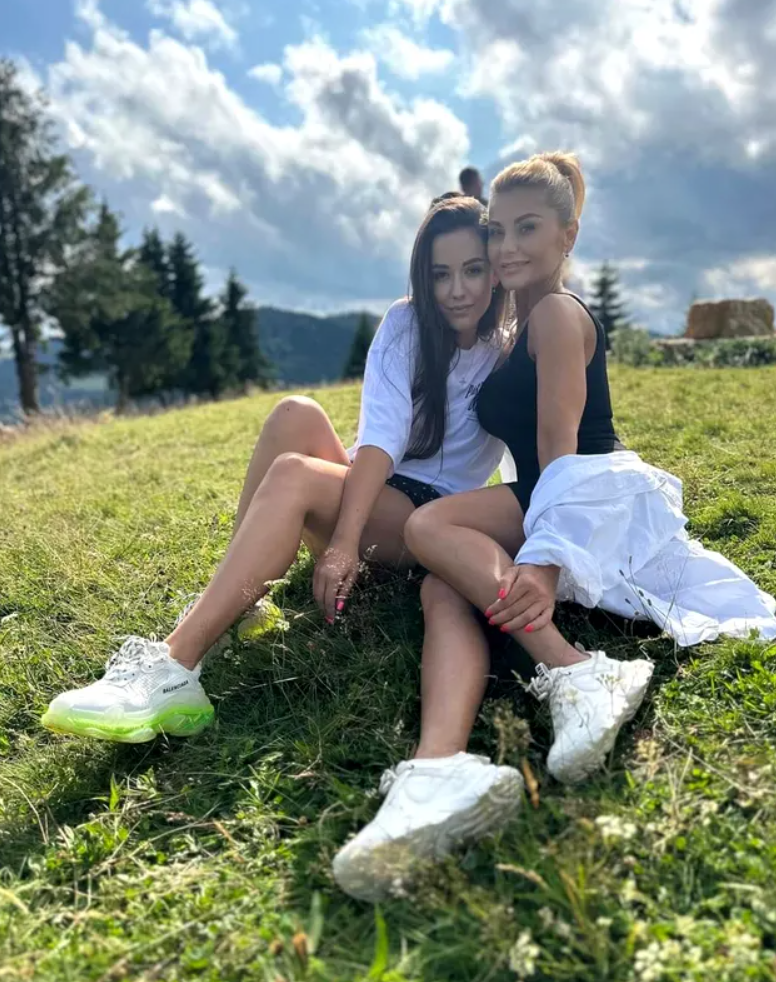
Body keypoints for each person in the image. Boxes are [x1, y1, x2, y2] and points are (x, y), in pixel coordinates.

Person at [41, 197, 516, 750]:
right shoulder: (406, 322)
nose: (456, 290)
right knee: (295, 413)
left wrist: (345, 542)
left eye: (472, 270)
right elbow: (380, 439)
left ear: (495, 271)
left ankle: (174, 668)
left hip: (423, 521)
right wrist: (344, 539)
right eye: (440, 274)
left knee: (294, 474)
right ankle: (242, 598)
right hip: (371, 486)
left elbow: (532, 455)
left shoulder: (508, 351)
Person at [332, 153, 655, 902]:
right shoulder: (519, 325)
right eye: (499, 230)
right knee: (443, 585)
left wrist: (544, 556)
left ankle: (578, 670)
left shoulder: (556, 313)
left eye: (527, 229)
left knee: (431, 528)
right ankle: (437, 770)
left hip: (574, 497)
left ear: (568, 235)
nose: (507, 247)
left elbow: (560, 454)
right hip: (546, 494)